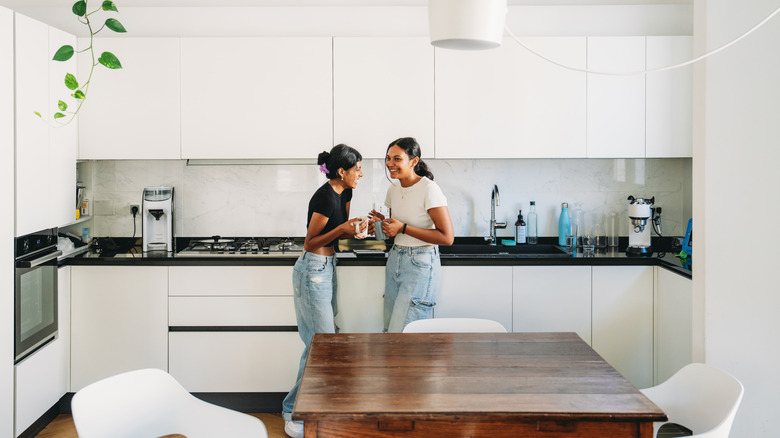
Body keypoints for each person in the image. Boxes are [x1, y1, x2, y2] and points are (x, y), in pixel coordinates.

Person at [282, 144, 366, 438]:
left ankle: (316, 408)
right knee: (319, 346)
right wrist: (343, 230)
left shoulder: (346, 192)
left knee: (325, 344)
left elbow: (341, 229)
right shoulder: (324, 196)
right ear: (342, 171)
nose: (361, 173)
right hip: (312, 268)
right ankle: (294, 412)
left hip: (328, 268)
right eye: (357, 169)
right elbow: (310, 241)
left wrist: (357, 228)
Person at [369, 137, 454, 333]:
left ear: (413, 161)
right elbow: (395, 232)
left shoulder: (429, 189)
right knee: (391, 330)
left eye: (397, 158)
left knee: (404, 334)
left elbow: (447, 237)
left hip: (421, 263)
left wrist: (403, 228)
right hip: (396, 258)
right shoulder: (393, 189)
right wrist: (383, 225)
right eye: (388, 158)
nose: (390, 163)